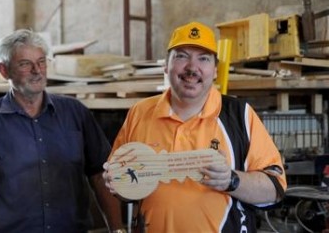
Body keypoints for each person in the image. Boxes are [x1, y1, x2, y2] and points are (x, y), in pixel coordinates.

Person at [103, 22, 287, 232]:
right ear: (165, 65)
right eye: (181, 56)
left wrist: (232, 180)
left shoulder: (239, 115)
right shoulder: (140, 112)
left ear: (215, 70)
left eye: (203, 58)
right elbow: (121, 187)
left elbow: (275, 188)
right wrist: (119, 183)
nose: (192, 67)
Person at [0, 29, 125, 233]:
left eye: (41, 61)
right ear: (4, 70)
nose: (37, 70)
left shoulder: (75, 113)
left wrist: (117, 230)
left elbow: (102, 176)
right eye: (25, 64)